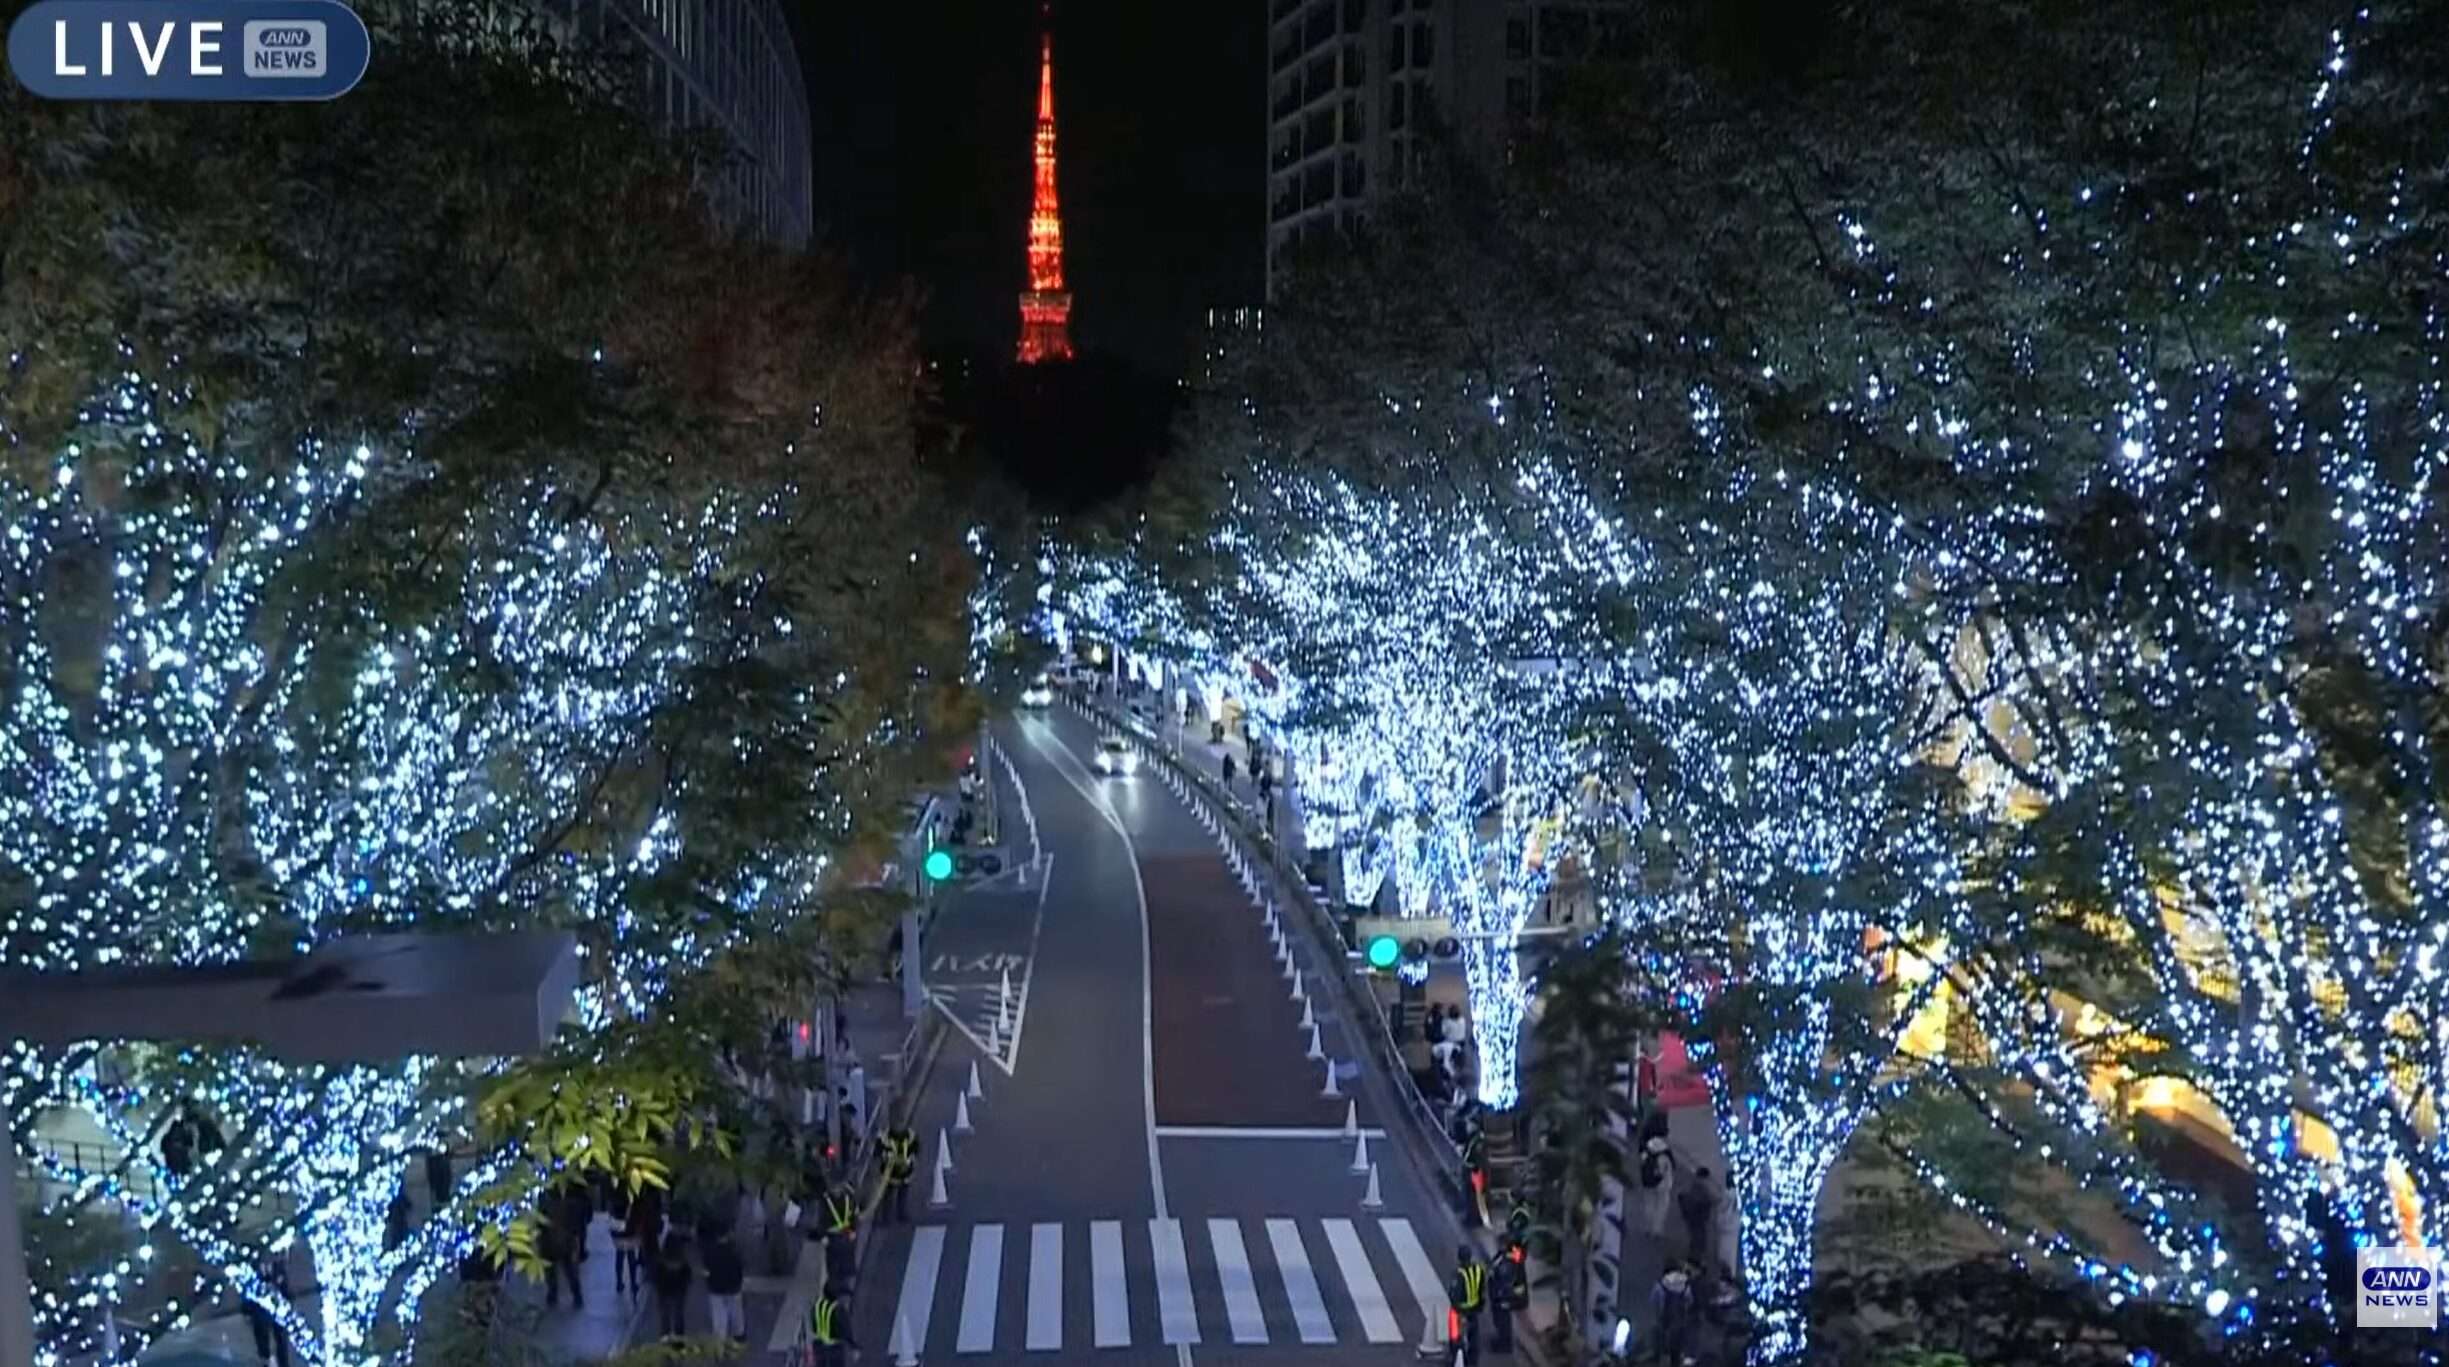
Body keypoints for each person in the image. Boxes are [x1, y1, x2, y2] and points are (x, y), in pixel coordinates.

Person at [242, 1249, 292, 1367]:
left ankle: (281, 1363)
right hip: (261, 1309)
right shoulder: (254, 1267)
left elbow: (283, 1283)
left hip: (276, 1305)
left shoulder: (277, 1265)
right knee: (263, 1340)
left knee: (280, 1339)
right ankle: (267, 1361)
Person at [618, 1181, 664, 1299]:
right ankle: (634, 1282)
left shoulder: (627, 1195)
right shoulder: (644, 1199)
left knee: (621, 1255)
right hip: (634, 1228)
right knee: (632, 1253)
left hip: (622, 1227)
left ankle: (621, 1281)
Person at [540, 1188, 584, 1310]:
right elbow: (576, 1224)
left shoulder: (544, 1204)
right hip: (565, 1240)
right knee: (570, 1270)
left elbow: (540, 1224)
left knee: (552, 1272)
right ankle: (577, 1296)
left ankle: (553, 1295)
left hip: (549, 1242)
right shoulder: (570, 1204)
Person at [701, 1229, 748, 1343]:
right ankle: (739, 1334)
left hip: (716, 1287)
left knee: (719, 1314)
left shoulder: (710, 1252)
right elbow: (739, 1268)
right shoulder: (734, 1251)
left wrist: (709, 1281)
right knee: (736, 1311)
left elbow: (706, 1271)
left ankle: (720, 1337)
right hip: (733, 1287)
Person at [1447, 1243, 1488, 1366]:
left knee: (1455, 1337)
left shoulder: (1459, 1274)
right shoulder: (1478, 1269)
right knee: (1473, 1337)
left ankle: (1456, 1359)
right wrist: (1480, 1304)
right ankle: (1473, 1361)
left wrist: (1456, 1307)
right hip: (1474, 1308)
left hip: (1460, 1310)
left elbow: (1454, 1294)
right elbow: (1482, 1288)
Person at [650, 1229, 694, 1339]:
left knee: (665, 1317)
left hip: (664, 1292)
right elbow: (688, 1277)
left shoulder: (660, 1259)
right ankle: (679, 1338)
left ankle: (665, 1337)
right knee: (678, 1316)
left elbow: (654, 1277)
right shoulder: (682, 1261)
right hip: (679, 1292)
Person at [1649, 1266, 1695, 1365]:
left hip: (1664, 1322)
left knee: (1662, 1350)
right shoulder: (1685, 1285)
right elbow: (1690, 1301)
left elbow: (1653, 1301)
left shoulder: (1660, 1285)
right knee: (1676, 1352)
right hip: (1679, 1322)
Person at [808, 1277, 855, 1367]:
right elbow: (846, 1330)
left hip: (819, 1347)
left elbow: (814, 1327)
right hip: (835, 1348)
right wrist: (853, 1346)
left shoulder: (817, 1306)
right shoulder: (839, 1310)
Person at [1678, 1168, 1719, 1265]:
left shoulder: (1692, 1185)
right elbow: (1706, 1200)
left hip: (1692, 1218)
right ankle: (1695, 1260)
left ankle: (1694, 1258)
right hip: (1697, 1218)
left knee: (1695, 1239)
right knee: (1699, 1240)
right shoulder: (1700, 1188)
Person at [879, 1126, 919, 1224]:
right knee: (889, 1195)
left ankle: (901, 1215)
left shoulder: (910, 1136)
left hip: (905, 1171)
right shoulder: (884, 1137)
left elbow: (915, 1151)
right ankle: (887, 1218)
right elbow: (880, 1153)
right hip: (890, 1172)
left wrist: (910, 1161)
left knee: (902, 1194)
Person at [1487, 1247, 1520, 1356]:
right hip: (1497, 1295)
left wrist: (1502, 1295)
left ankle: (1505, 1344)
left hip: (1503, 1296)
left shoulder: (1508, 1262)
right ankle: (1501, 1339)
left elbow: (1505, 1280)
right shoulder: (1501, 1256)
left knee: (1504, 1321)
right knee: (1499, 1319)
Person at [423, 1145, 454, 1212]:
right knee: (436, 1183)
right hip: (434, 1159)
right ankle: (437, 1203)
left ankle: (443, 1196)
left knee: (444, 1179)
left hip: (439, 1157)